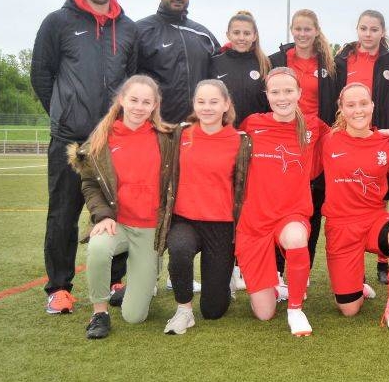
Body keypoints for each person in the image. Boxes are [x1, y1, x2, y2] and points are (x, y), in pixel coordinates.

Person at [30, 0, 138, 315]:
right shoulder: (57, 21)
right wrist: (63, 113)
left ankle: (116, 280)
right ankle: (59, 288)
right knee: (63, 213)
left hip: (113, 139)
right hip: (70, 139)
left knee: (117, 210)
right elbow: (41, 74)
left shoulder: (128, 28)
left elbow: (131, 79)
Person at [67, 75, 174, 339]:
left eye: (146, 102)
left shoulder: (166, 138)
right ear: (122, 100)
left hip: (150, 230)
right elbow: (89, 183)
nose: (139, 106)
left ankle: (139, 283)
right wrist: (102, 215)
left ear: (155, 105)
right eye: (134, 100)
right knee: (98, 247)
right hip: (118, 223)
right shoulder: (102, 138)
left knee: (134, 316)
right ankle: (99, 312)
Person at [235, 67, 326, 336]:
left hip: (291, 214)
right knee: (264, 314)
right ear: (266, 94)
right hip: (254, 221)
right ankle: (274, 287)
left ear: (299, 93)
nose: (282, 97)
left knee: (296, 238)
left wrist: (385, 133)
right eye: (275, 92)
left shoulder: (313, 126)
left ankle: (295, 309)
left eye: (288, 91)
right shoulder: (252, 124)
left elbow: (346, 136)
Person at [321, 83, 389, 330]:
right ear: (341, 109)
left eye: (363, 103)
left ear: (372, 106)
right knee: (349, 309)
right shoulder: (327, 140)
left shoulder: (386, 143)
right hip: (341, 227)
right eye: (351, 105)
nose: (358, 110)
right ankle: (356, 286)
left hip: (374, 220)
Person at [163, 80, 251, 334]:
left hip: (221, 225)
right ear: (194, 104)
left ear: (226, 104)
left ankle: (225, 279)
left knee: (213, 311)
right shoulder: (180, 134)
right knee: (179, 249)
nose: (207, 107)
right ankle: (183, 310)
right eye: (201, 101)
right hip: (185, 219)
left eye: (214, 102)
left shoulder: (240, 141)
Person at [269, 9, 338, 289]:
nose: (302, 33)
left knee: (312, 206)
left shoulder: (329, 64)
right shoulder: (277, 60)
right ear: (291, 29)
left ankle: (302, 270)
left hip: (314, 139)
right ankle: (276, 271)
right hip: (283, 137)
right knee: (280, 205)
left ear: (316, 30)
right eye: (297, 28)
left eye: (307, 29)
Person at [334, 9, 389, 285]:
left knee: (378, 194)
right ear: (357, 29)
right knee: (351, 193)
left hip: (378, 135)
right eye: (364, 28)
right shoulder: (343, 59)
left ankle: (382, 261)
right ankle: (354, 261)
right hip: (348, 135)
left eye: (374, 29)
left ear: (382, 32)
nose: (368, 34)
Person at [135, 0, 219, 123]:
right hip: (154, 126)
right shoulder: (140, 31)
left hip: (197, 127)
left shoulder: (204, 35)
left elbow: (221, 78)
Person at [210, 11, 270, 126]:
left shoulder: (265, 64)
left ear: (254, 36)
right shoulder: (214, 63)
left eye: (247, 33)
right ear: (228, 35)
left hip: (256, 130)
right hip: (224, 130)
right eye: (236, 33)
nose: (241, 38)